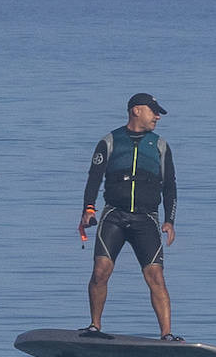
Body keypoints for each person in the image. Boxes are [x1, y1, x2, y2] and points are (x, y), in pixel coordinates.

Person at [78, 93, 182, 340]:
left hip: (146, 219)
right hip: (114, 215)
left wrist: (170, 220)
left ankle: (166, 334)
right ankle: (94, 326)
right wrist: (88, 209)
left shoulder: (160, 145)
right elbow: (94, 177)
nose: (157, 116)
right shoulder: (111, 141)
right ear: (136, 110)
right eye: (153, 111)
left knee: (155, 276)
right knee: (100, 271)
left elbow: (170, 186)